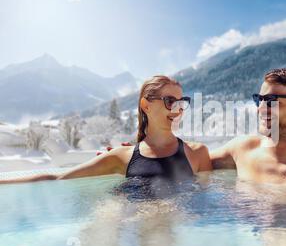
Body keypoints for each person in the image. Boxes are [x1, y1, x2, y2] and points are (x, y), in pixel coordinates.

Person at [0, 75, 212, 185]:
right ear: (146, 105)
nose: (177, 109)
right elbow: (57, 179)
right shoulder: (122, 156)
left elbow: (207, 205)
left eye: (181, 102)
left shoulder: (198, 153)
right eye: (169, 101)